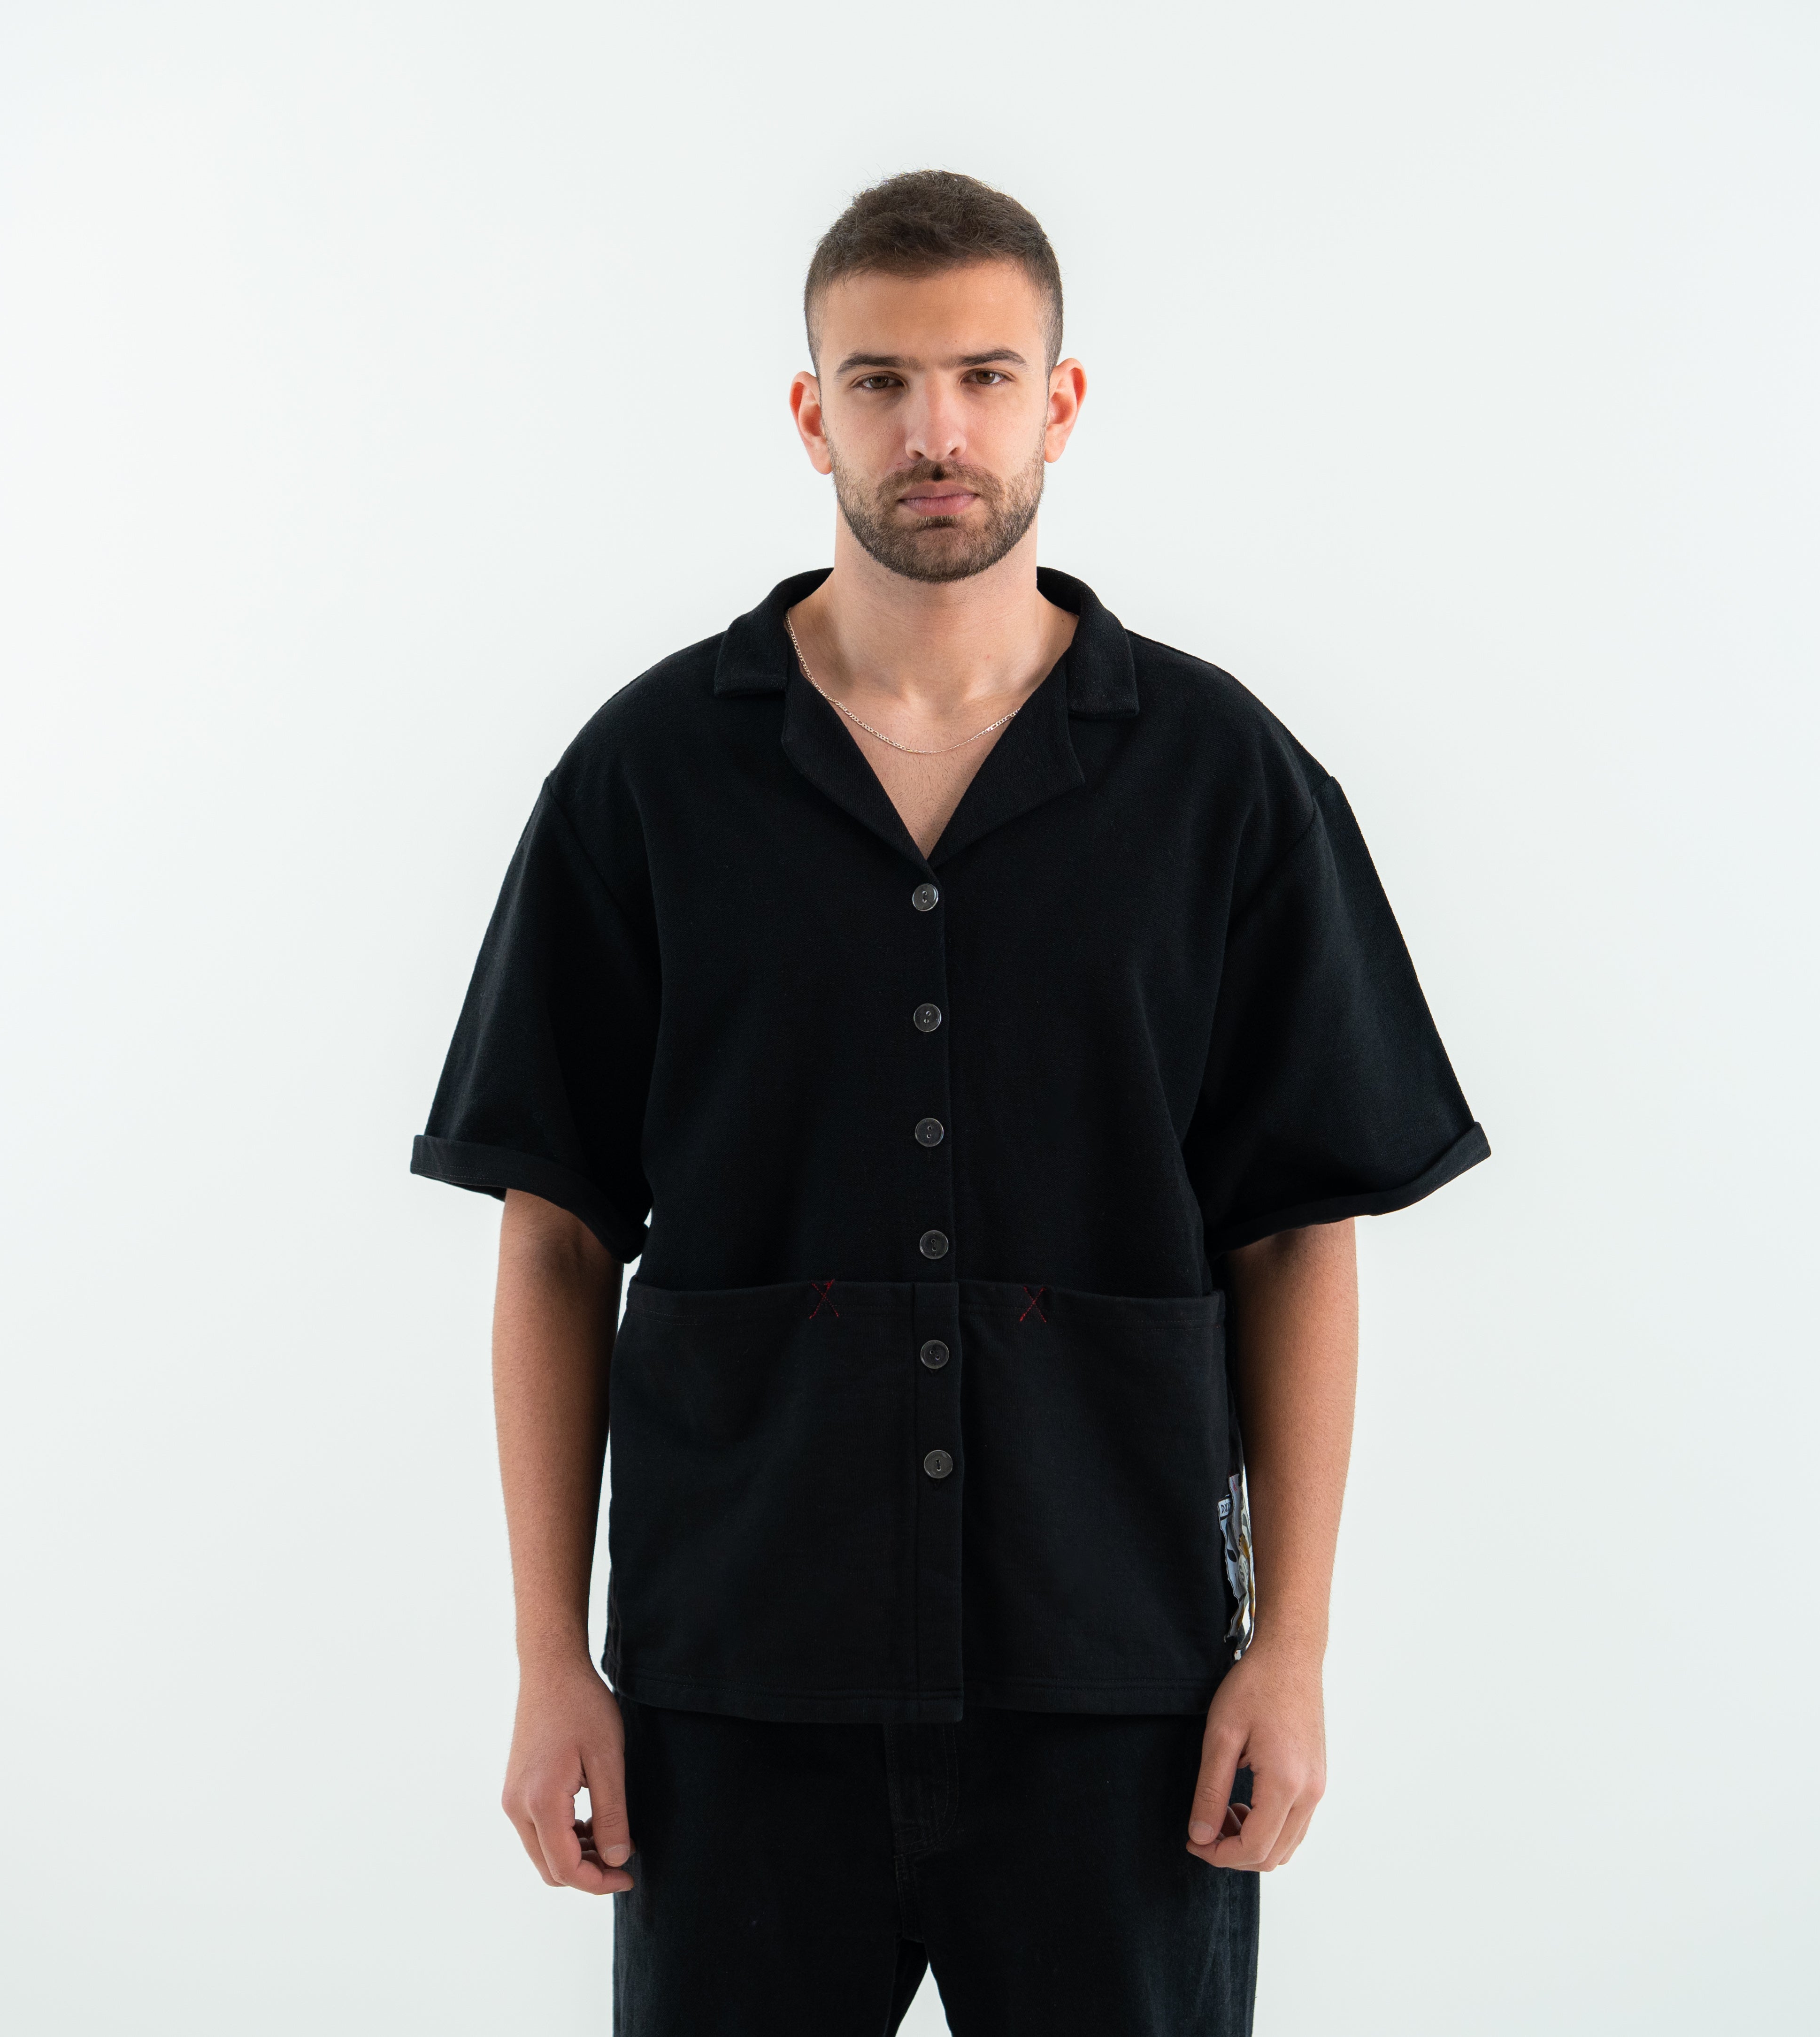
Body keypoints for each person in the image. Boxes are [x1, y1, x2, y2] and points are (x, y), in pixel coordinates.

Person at [410, 168, 1487, 2036]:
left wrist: (1291, 1649)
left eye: (985, 376)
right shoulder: (649, 777)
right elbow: (555, 1233)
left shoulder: (1221, 782)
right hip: (733, 1680)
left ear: (1059, 404)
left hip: (1121, 1685)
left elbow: (1292, 1232)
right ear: (810, 408)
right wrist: (544, 1656)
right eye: (883, 379)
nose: (935, 430)